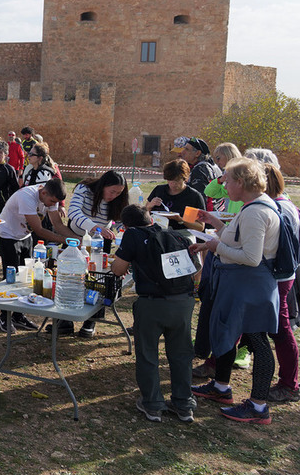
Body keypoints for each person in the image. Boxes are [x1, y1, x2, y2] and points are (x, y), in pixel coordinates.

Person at [190, 158, 281, 424]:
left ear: (241, 182)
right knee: (227, 334)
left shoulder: (255, 212)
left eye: (227, 180)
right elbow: (238, 237)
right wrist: (215, 223)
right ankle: (221, 387)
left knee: (256, 341)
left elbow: (251, 257)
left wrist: (216, 247)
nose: (224, 185)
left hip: (250, 285)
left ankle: (258, 406)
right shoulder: (251, 207)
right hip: (241, 284)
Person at [111, 204, 198, 422]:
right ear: (151, 220)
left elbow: (118, 269)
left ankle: (152, 404)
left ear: (126, 225)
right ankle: (184, 403)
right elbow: (197, 273)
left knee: (148, 353)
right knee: (181, 354)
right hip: (183, 303)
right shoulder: (178, 236)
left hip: (152, 303)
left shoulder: (132, 235)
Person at [0, 180, 70, 333]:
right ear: (43, 193)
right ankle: (3, 316)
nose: (51, 205)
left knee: (27, 276)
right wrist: (65, 240)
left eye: (55, 202)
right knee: (11, 277)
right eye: (51, 202)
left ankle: (18, 315)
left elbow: (58, 225)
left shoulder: (50, 197)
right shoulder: (27, 196)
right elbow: (40, 230)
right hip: (7, 234)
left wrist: (76, 239)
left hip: (24, 236)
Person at [260, 164, 300, 403]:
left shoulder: (279, 208)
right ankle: (216, 365)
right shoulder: (278, 205)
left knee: (281, 330)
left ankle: (289, 384)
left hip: (276, 277)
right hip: (274, 275)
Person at [146, 159, 206, 237]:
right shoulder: (159, 190)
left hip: (182, 235)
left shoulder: (193, 196)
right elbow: (145, 213)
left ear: (185, 178)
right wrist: (149, 206)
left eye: (177, 181)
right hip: (158, 232)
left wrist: (180, 220)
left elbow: (200, 226)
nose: (173, 184)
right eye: (170, 180)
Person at [203, 142, 243, 213]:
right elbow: (209, 192)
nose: (217, 162)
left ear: (228, 155)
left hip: (242, 218)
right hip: (232, 220)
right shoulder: (226, 174)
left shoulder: (244, 173)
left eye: (218, 158)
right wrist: (220, 180)